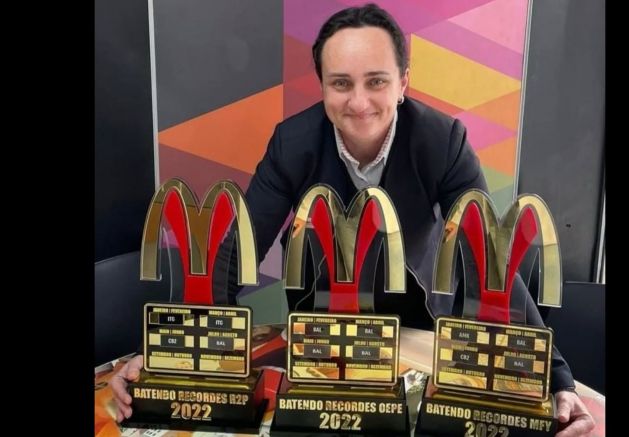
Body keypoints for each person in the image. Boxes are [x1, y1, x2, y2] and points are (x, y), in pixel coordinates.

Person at [111, 4, 595, 435]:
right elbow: (234, 251)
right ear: (322, 86)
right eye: (341, 83)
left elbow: (490, 261)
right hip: (323, 328)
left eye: (376, 81)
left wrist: (557, 379)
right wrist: (165, 355)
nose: (359, 102)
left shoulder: (442, 141)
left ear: (403, 83)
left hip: (417, 320)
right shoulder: (292, 143)